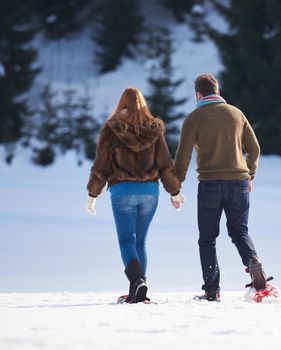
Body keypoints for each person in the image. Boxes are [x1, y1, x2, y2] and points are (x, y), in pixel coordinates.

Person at [172, 74, 269, 301]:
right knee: (239, 231)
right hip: (239, 183)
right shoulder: (237, 114)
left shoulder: (194, 118)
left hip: (210, 185)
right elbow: (254, 149)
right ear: (217, 91)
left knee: (207, 238)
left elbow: (183, 157)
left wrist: (175, 189)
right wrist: (250, 175)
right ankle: (253, 261)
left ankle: (212, 291)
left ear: (198, 94)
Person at [85, 87, 185, 303]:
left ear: (121, 104)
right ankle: (139, 287)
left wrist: (93, 194)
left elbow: (101, 165)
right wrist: (175, 191)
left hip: (122, 192)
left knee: (126, 240)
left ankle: (137, 281)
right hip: (150, 192)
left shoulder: (112, 129)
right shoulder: (154, 129)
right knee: (140, 241)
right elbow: (166, 164)